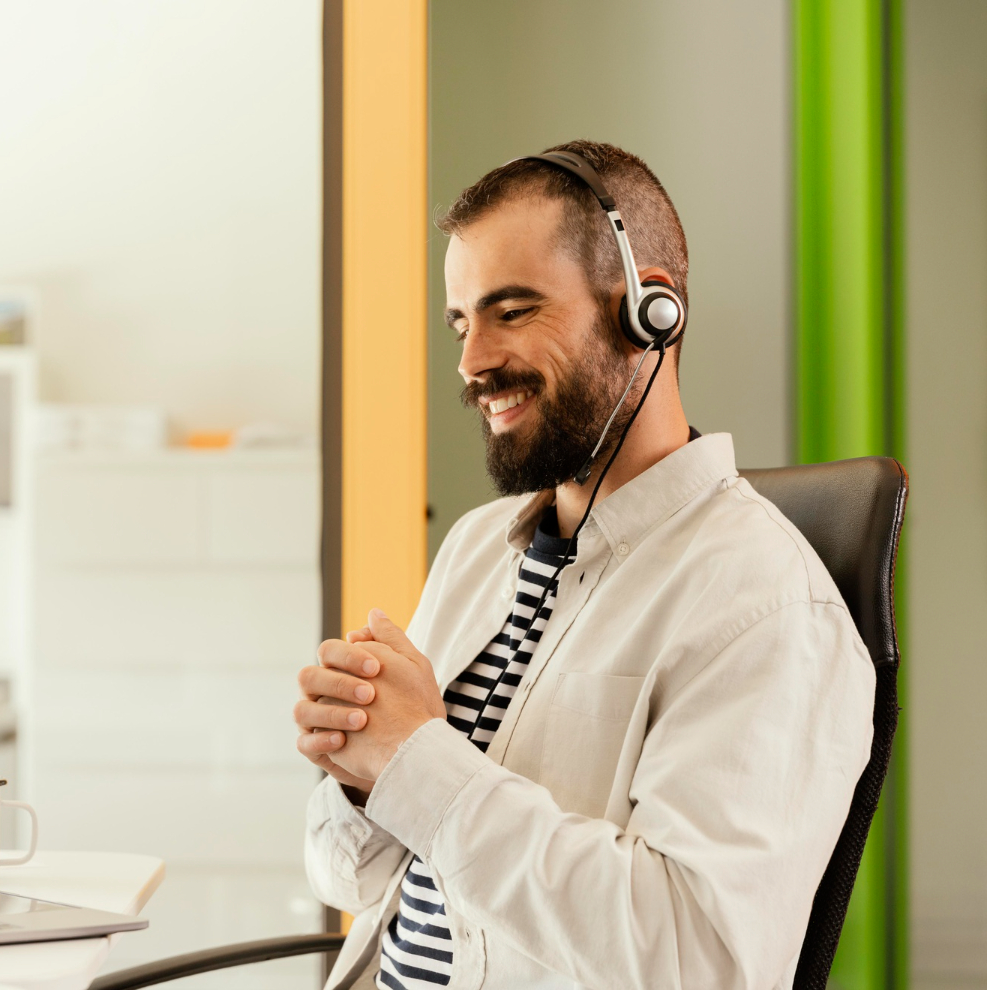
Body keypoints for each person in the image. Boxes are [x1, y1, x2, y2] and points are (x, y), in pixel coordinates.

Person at [294, 140, 873, 990]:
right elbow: (354, 881)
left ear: (652, 312)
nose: (471, 361)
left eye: (513, 310)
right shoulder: (477, 553)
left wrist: (418, 758)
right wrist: (359, 770)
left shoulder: (764, 606)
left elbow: (699, 962)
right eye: (462, 321)